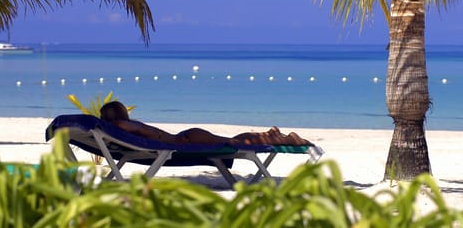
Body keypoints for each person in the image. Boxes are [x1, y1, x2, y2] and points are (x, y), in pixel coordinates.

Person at [100, 101, 314, 146]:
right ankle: (273, 135)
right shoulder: (125, 126)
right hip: (186, 138)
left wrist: (110, 124)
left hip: (187, 139)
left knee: (234, 143)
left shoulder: (120, 127)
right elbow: (131, 127)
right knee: (233, 142)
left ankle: (281, 138)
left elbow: (128, 127)